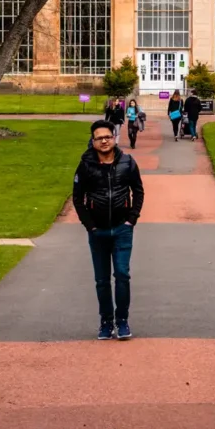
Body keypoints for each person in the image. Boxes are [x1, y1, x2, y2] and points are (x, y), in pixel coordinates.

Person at [72, 119, 145, 340]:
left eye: (107, 137)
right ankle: (106, 322)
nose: (104, 141)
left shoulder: (128, 162)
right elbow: (78, 198)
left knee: (122, 276)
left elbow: (138, 191)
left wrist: (131, 219)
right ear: (92, 141)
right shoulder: (85, 166)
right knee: (102, 280)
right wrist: (90, 225)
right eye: (99, 138)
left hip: (122, 229)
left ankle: (122, 321)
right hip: (98, 231)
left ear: (113, 138)